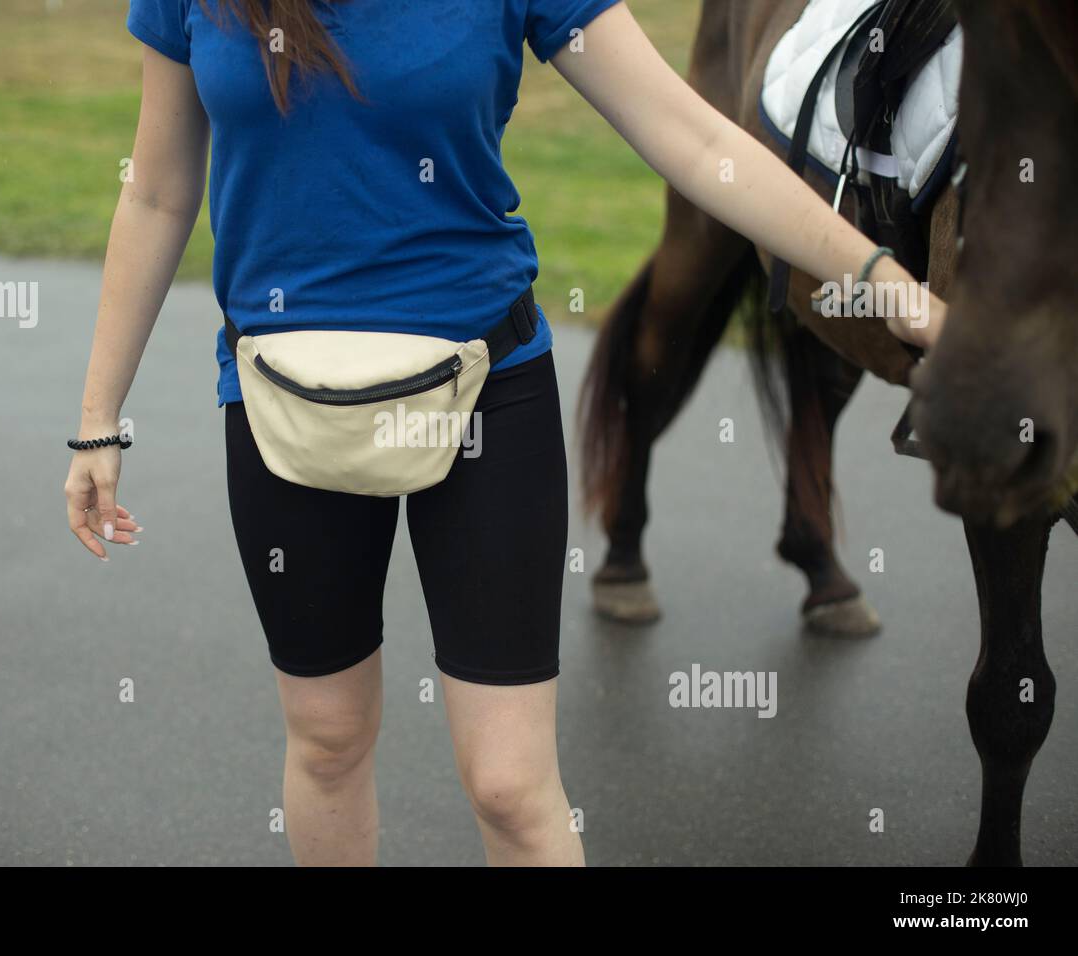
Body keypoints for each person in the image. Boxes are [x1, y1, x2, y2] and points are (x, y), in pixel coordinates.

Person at [63, 0, 944, 867]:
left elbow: (697, 139)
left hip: (488, 388)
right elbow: (156, 192)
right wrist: (99, 421)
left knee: (510, 787)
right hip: (283, 404)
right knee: (327, 741)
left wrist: (879, 276)